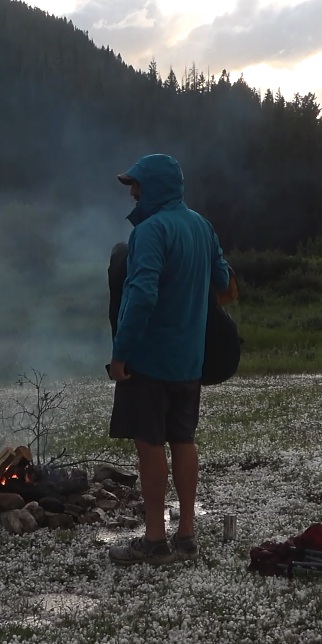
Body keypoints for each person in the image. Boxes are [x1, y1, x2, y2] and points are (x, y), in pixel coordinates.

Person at [106, 154, 232, 566]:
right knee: (183, 440)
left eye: (136, 184)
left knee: (150, 444)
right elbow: (224, 278)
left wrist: (121, 354)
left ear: (154, 186)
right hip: (190, 362)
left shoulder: (150, 231)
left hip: (150, 360)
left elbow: (140, 296)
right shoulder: (202, 226)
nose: (132, 192)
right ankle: (187, 534)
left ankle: (155, 541)